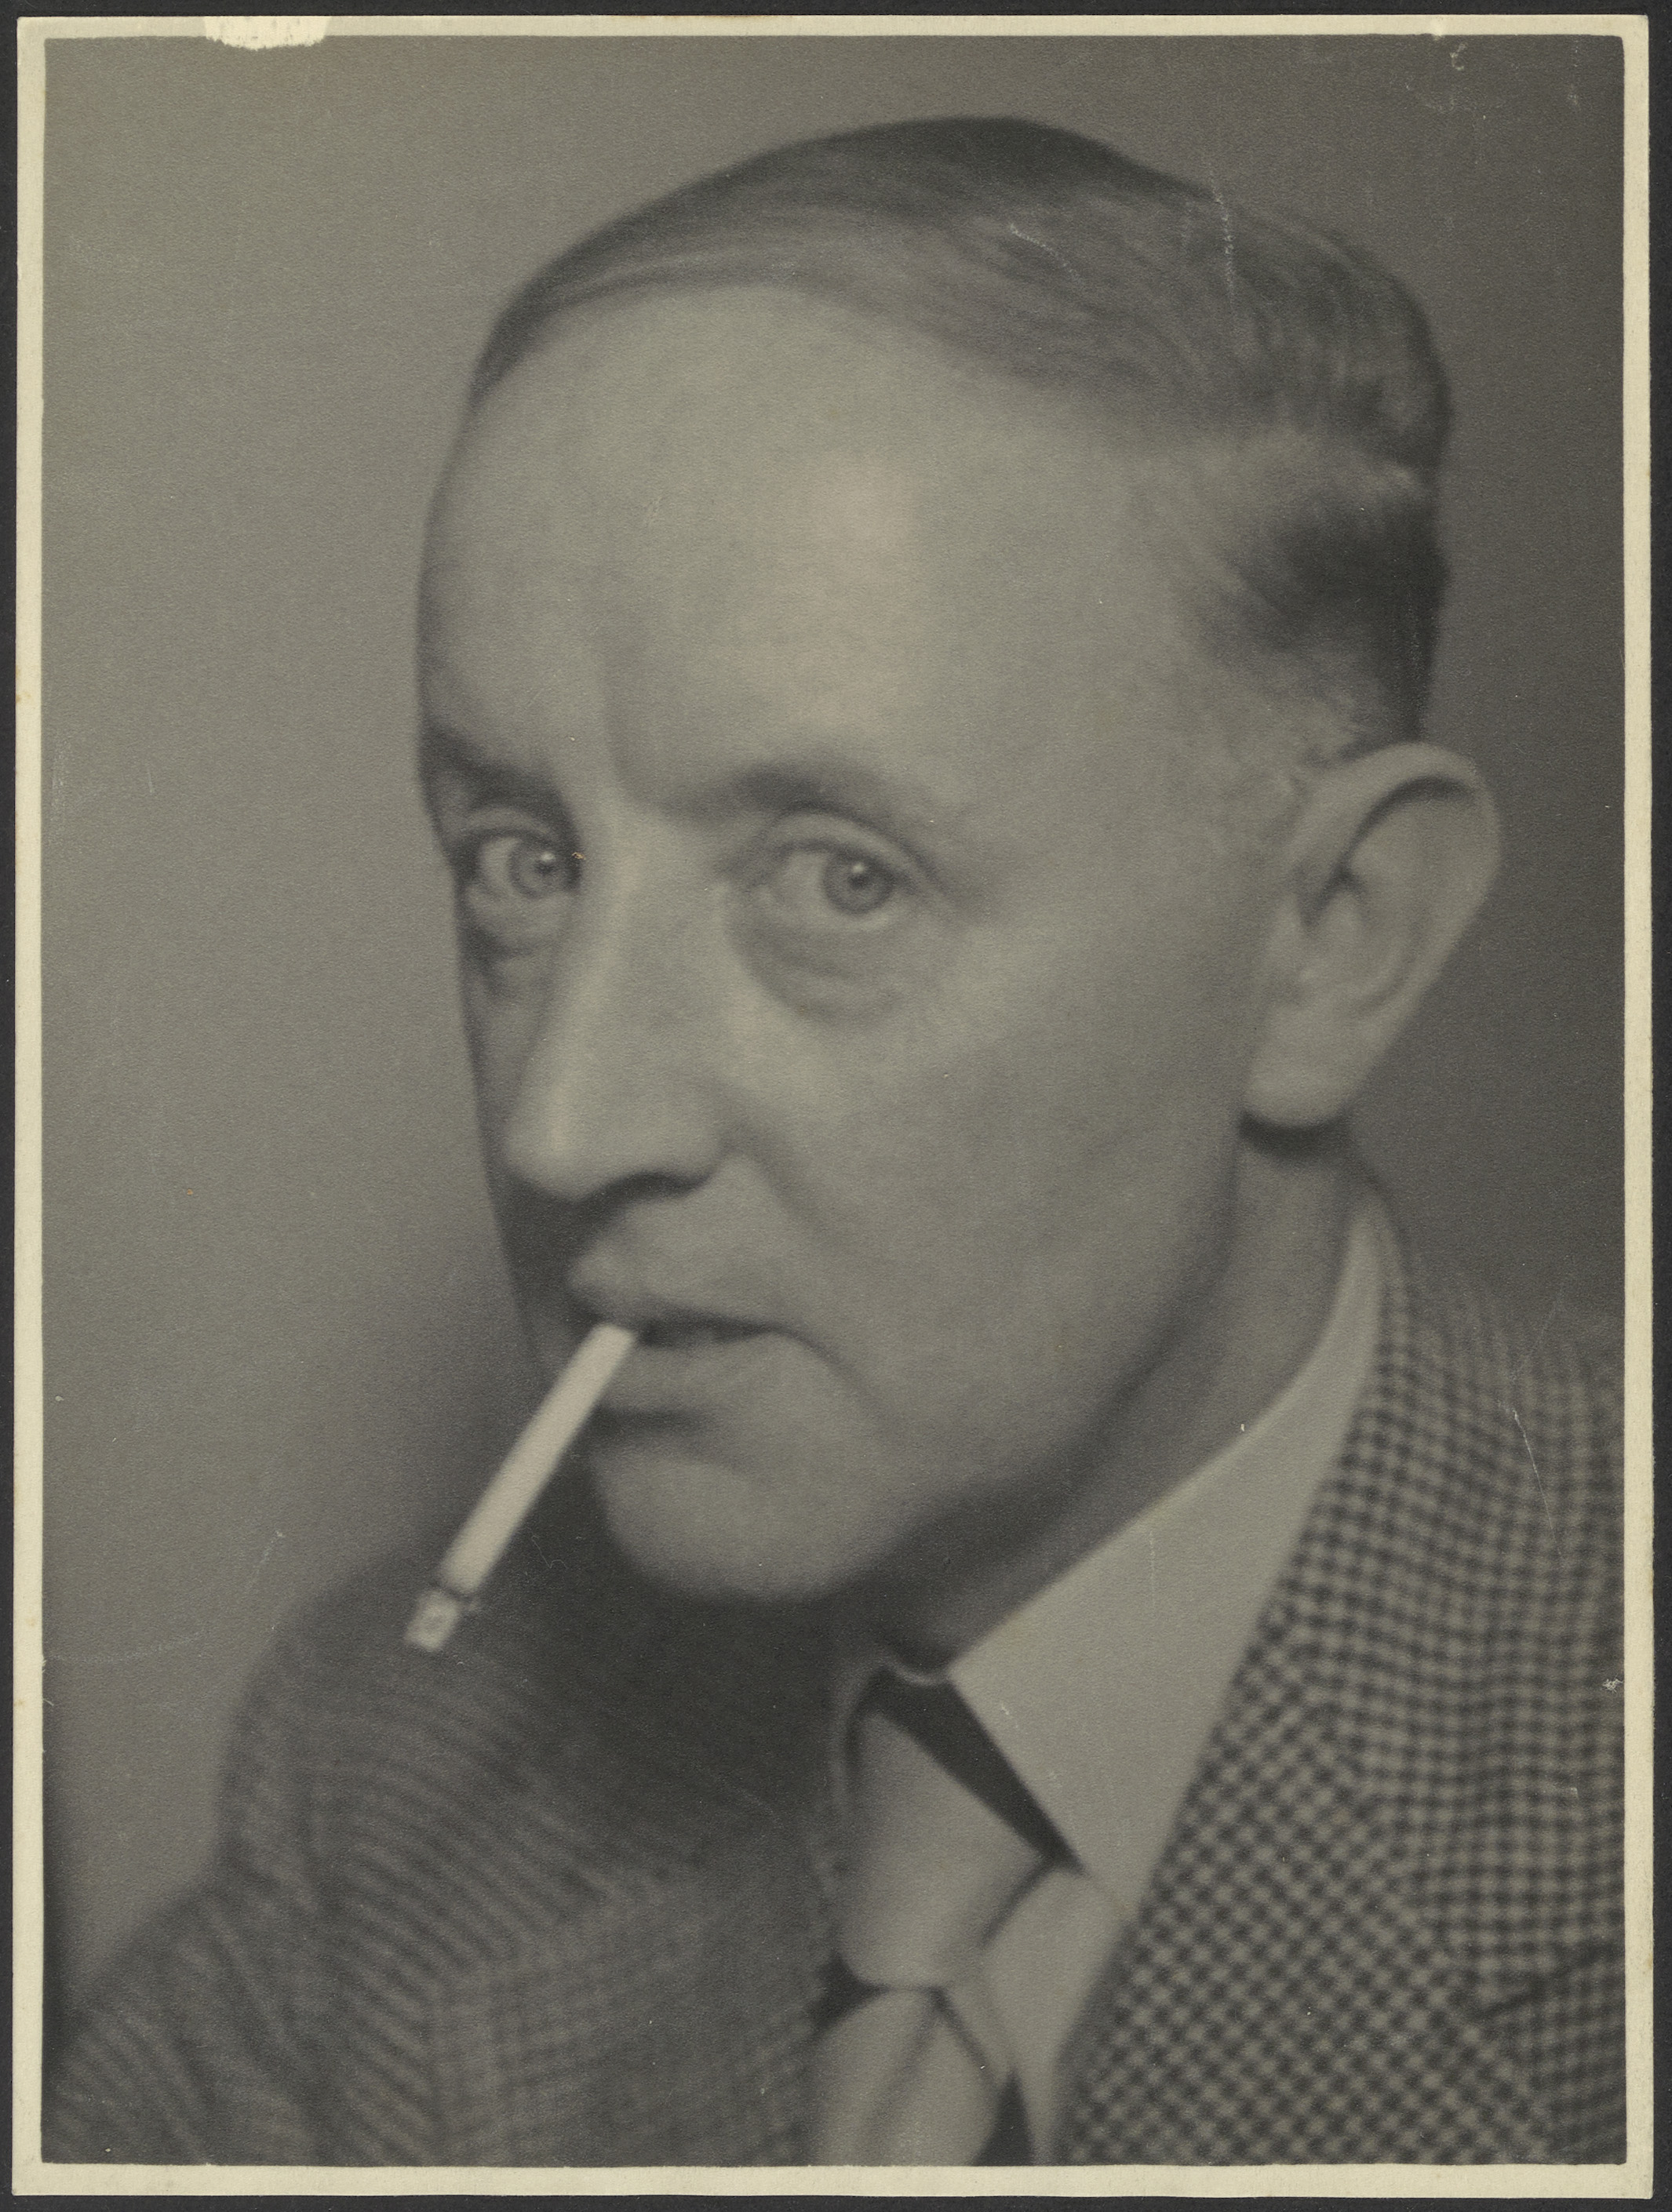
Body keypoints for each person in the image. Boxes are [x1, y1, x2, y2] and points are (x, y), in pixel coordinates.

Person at [45, 117, 1623, 2167]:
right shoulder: (401, 1753)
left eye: (839, 878)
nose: (562, 1123)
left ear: (1334, 937)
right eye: (522, 859)